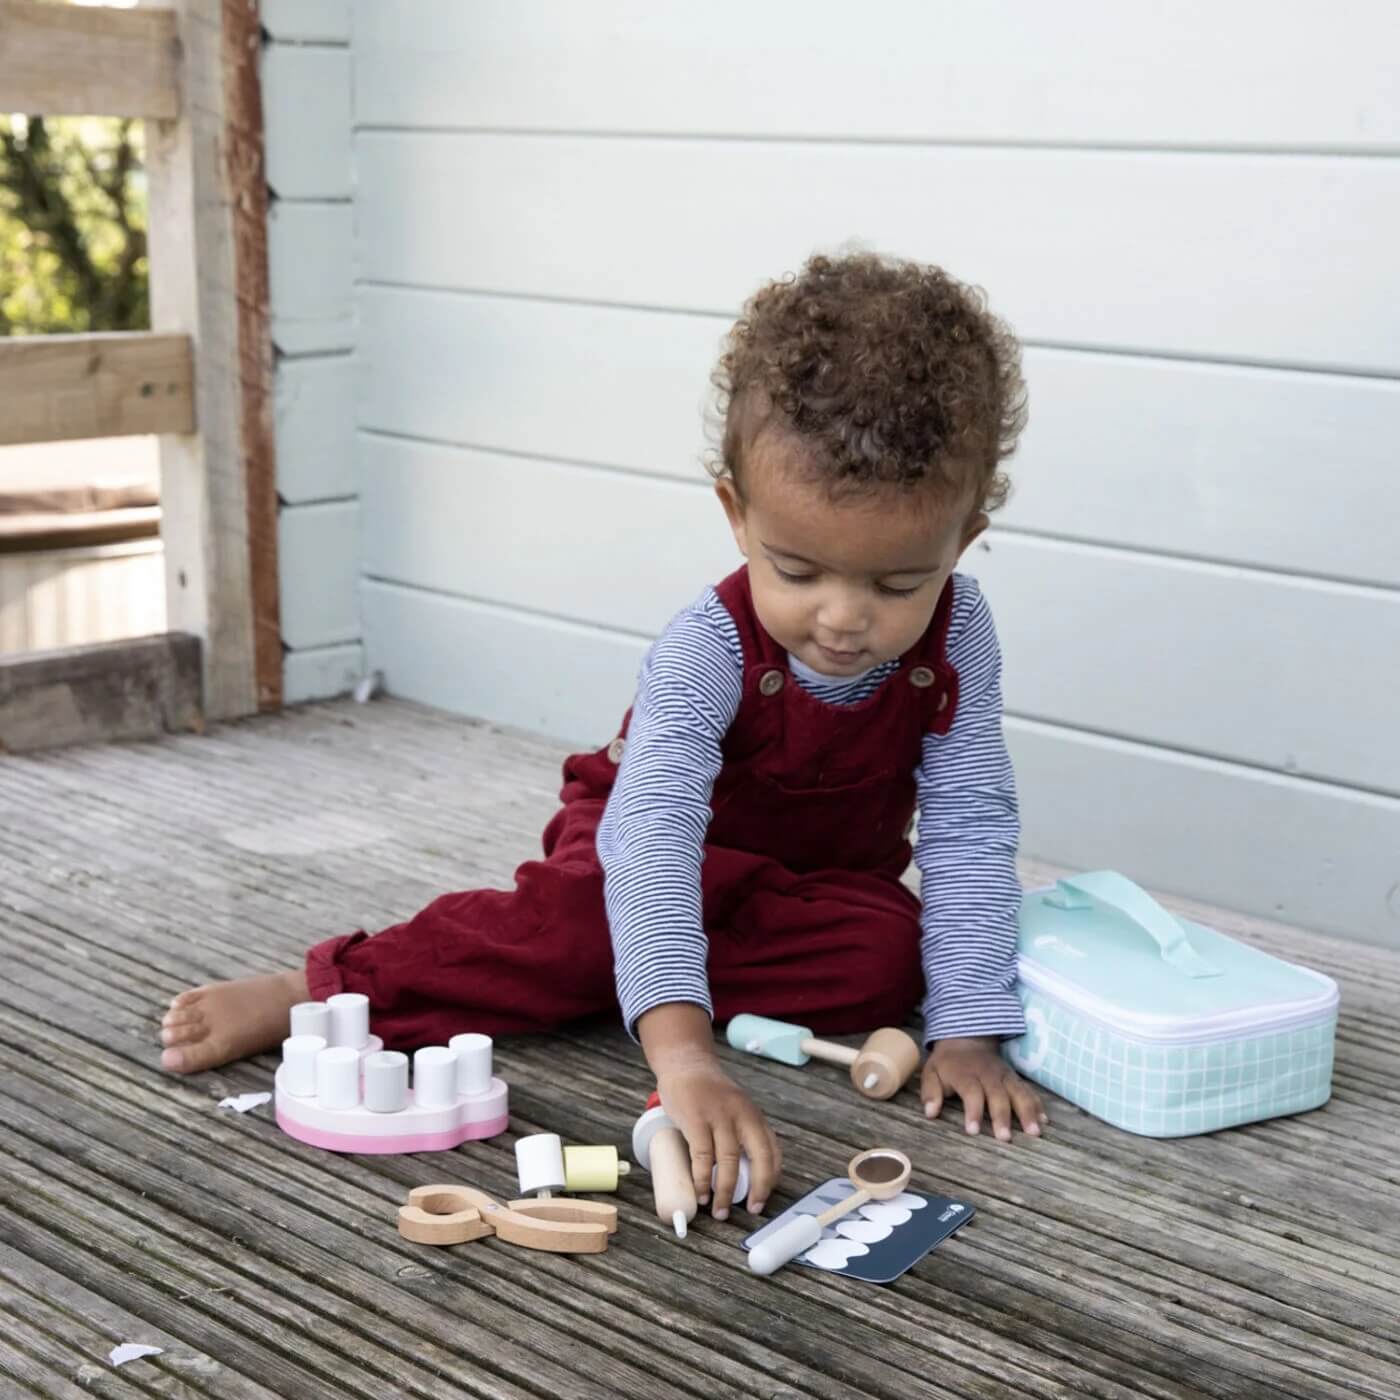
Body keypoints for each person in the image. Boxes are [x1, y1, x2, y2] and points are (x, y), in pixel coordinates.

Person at [159, 251, 1049, 1219]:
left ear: (959, 542)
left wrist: (967, 1030)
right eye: (796, 570)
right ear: (735, 514)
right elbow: (653, 841)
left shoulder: (961, 635)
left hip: (808, 881)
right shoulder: (707, 646)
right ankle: (333, 985)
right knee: (575, 923)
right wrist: (685, 1059)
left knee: (882, 957)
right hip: (647, 843)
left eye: (894, 584)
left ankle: (637, 973)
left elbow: (968, 822)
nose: (841, 618)